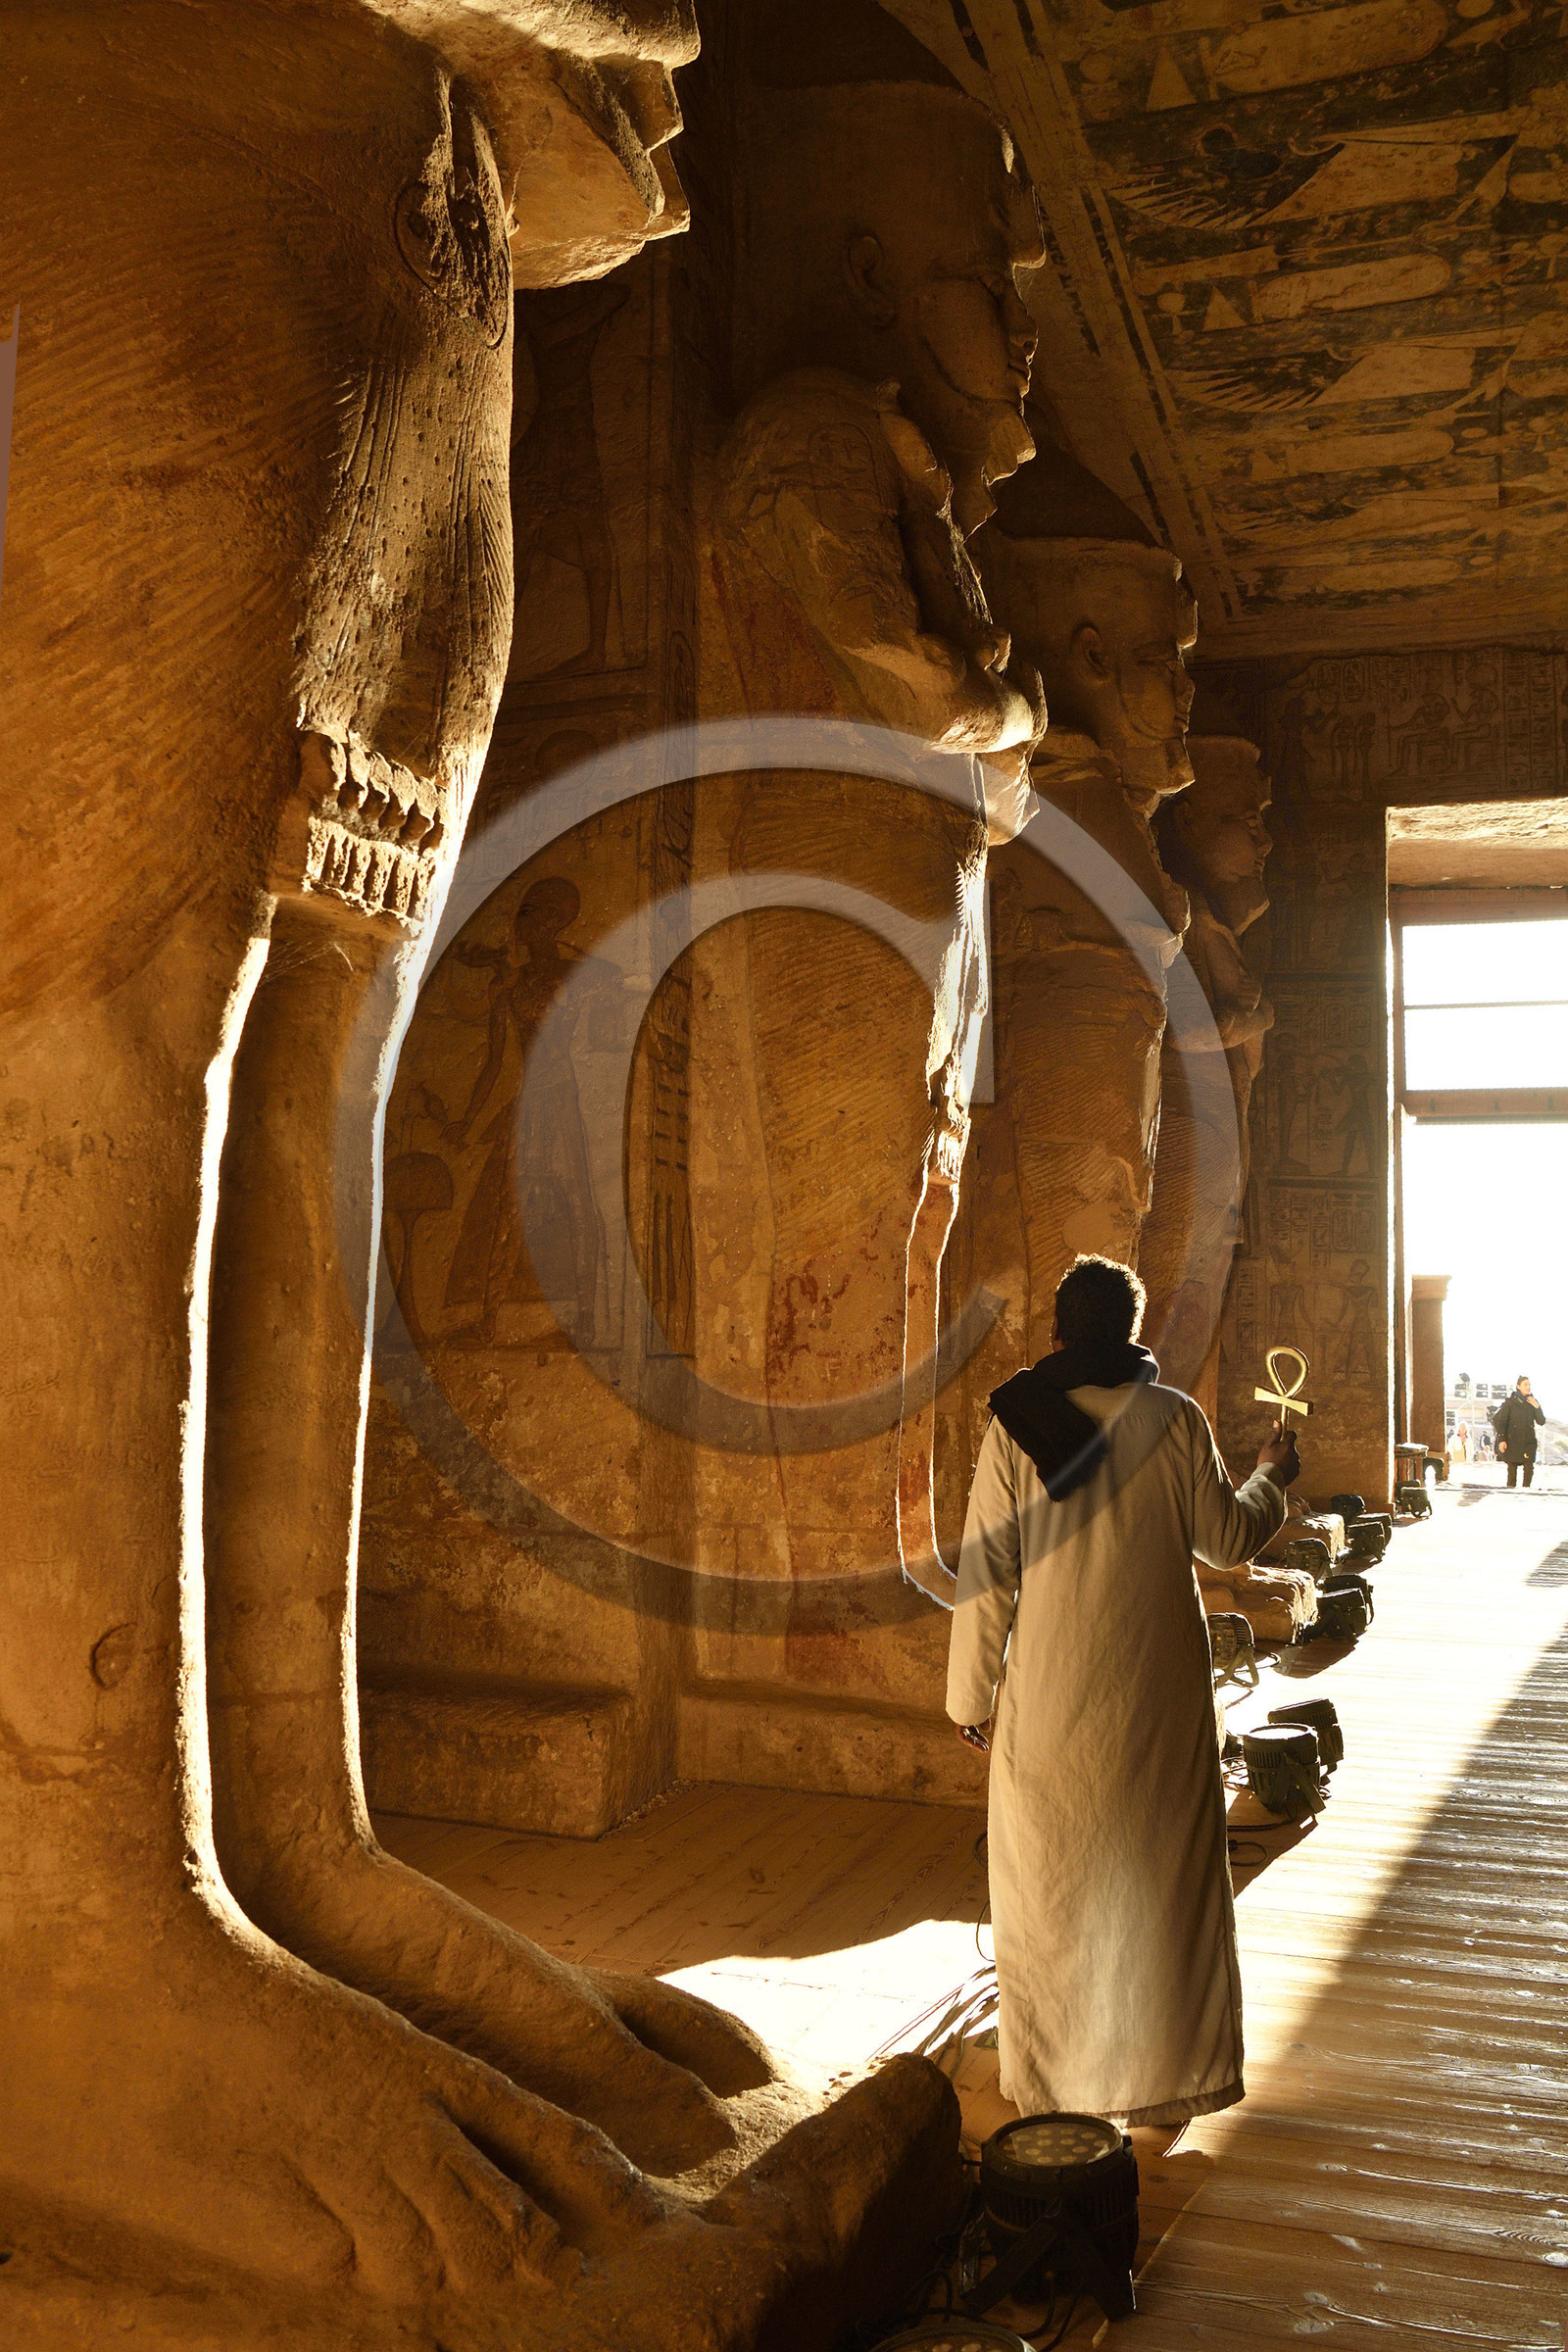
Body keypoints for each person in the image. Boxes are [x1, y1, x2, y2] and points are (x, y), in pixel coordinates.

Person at [947, 1252, 1298, 2127]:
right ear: (1133, 1332)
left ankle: (1058, 2081)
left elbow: (987, 1573)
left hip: (1055, 1693)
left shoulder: (1017, 1424)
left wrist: (971, 1698)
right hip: (1158, 1695)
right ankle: (1167, 2082)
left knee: (1053, 1886)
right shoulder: (1173, 1420)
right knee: (1160, 1879)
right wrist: (1269, 1478)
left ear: (1059, 1331)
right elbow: (1227, 1538)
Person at [1494, 1375, 1545, 1489]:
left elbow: (1541, 1421)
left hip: (1528, 1442)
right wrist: (1502, 1439)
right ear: (1518, 1386)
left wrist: (1537, 1406)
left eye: (1529, 1384)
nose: (1528, 1387)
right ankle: (1511, 1494)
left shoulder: (1532, 1402)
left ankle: (1526, 1490)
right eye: (1525, 1384)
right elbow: (1501, 1422)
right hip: (1512, 1441)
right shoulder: (1510, 1402)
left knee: (1529, 1469)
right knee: (1512, 1473)